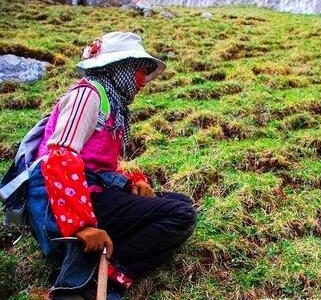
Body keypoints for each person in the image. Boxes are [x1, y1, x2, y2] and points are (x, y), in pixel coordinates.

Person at [26, 32, 197, 299]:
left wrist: (130, 183)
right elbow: (60, 155)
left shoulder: (109, 103)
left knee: (182, 203)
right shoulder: (88, 95)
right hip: (59, 201)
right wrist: (81, 225)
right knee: (179, 215)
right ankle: (92, 281)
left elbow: (95, 165)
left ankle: (100, 263)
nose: (143, 82)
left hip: (87, 191)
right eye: (141, 72)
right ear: (122, 69)